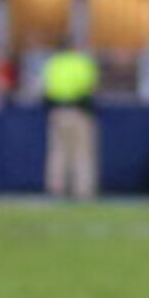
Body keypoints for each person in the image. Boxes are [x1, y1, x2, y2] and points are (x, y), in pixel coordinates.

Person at [39, 46, 99, 200]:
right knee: (81, 154)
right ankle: (83, 190)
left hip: (57, 111)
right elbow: (90, 86)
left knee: (58, 152)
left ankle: (56, 188)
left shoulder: (54, 63)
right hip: (78, 110)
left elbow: (45, 86)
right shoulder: (82, 63)